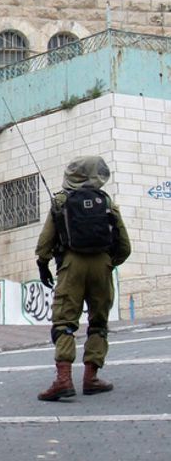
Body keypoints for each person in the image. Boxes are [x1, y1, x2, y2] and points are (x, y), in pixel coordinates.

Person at [35, 156, 131, 401]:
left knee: (64, 322)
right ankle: (91, 378)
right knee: (98, 322)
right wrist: (110, 263)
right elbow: (124, 246)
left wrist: (43, 264)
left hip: (71, 265)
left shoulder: (61, 201)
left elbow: (46, 241)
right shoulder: (107, 201)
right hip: (102, 264)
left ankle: (63, 380)